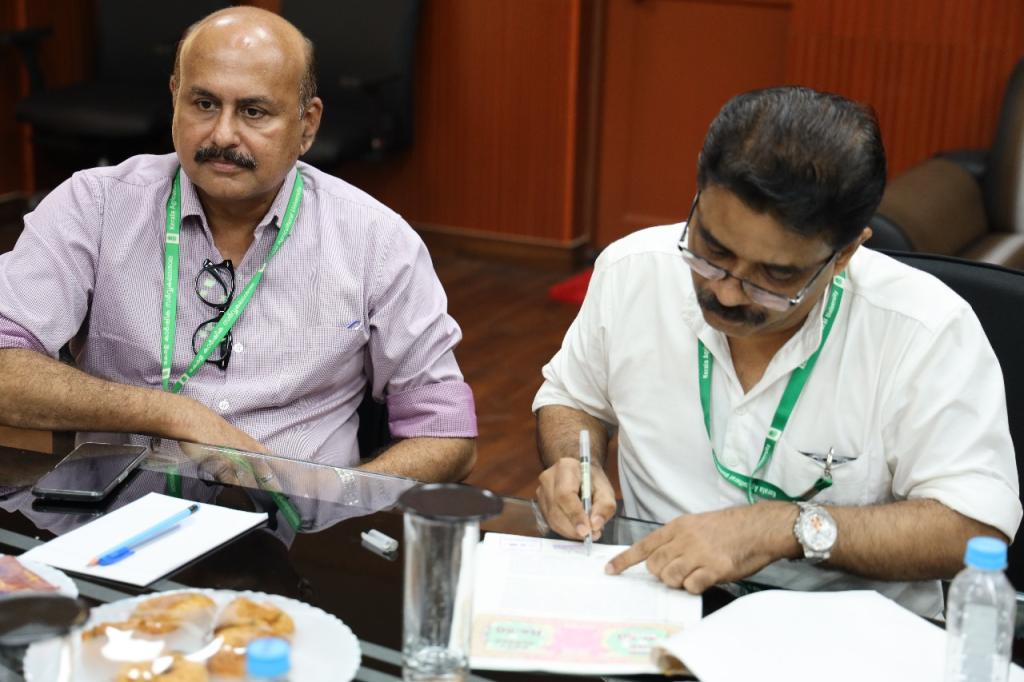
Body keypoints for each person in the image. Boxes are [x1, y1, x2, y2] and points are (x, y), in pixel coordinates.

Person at [533, 86, 1021, 615]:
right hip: (660, 608)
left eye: (774, 277)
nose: (726, 292)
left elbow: (972, 527)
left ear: (844, 254)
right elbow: (573, 398)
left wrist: (788, 528)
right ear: (698, 194)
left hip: (844, 632)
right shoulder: (633, 270)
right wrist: (574, 462)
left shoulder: (924, 330)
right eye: (712, 250)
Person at [0, 7, 476, 481]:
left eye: (253, 112)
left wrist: (339, 495)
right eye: (204, 104)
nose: (223, 135)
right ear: (175, 98)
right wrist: (172, 414)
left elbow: (445, 433)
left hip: (299, 520)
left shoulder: (376, 239)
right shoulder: (96, 206)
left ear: (307, 125)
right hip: (124, 511)